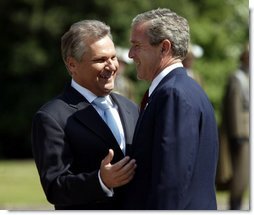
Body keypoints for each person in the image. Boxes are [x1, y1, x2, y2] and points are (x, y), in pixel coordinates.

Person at [31, 20, 139, 210]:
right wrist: (101, 181)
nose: (112, 66)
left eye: (113, 57)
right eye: (100, 60)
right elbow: (55, 188)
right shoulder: (51, 117)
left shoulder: (130, 107)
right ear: (72, 65)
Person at [123, 8, 219, 210]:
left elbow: (171, 181)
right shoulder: (181, 89)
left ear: (164, 47)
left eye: (137, 45)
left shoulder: (173, 94)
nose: (131, 54)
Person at [220, 45, 249, 210]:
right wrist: (238, 133)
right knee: (240, 174)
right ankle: (235, 206)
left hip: (247, 132)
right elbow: (235, 106)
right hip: (242, 134)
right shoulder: (237, 77)